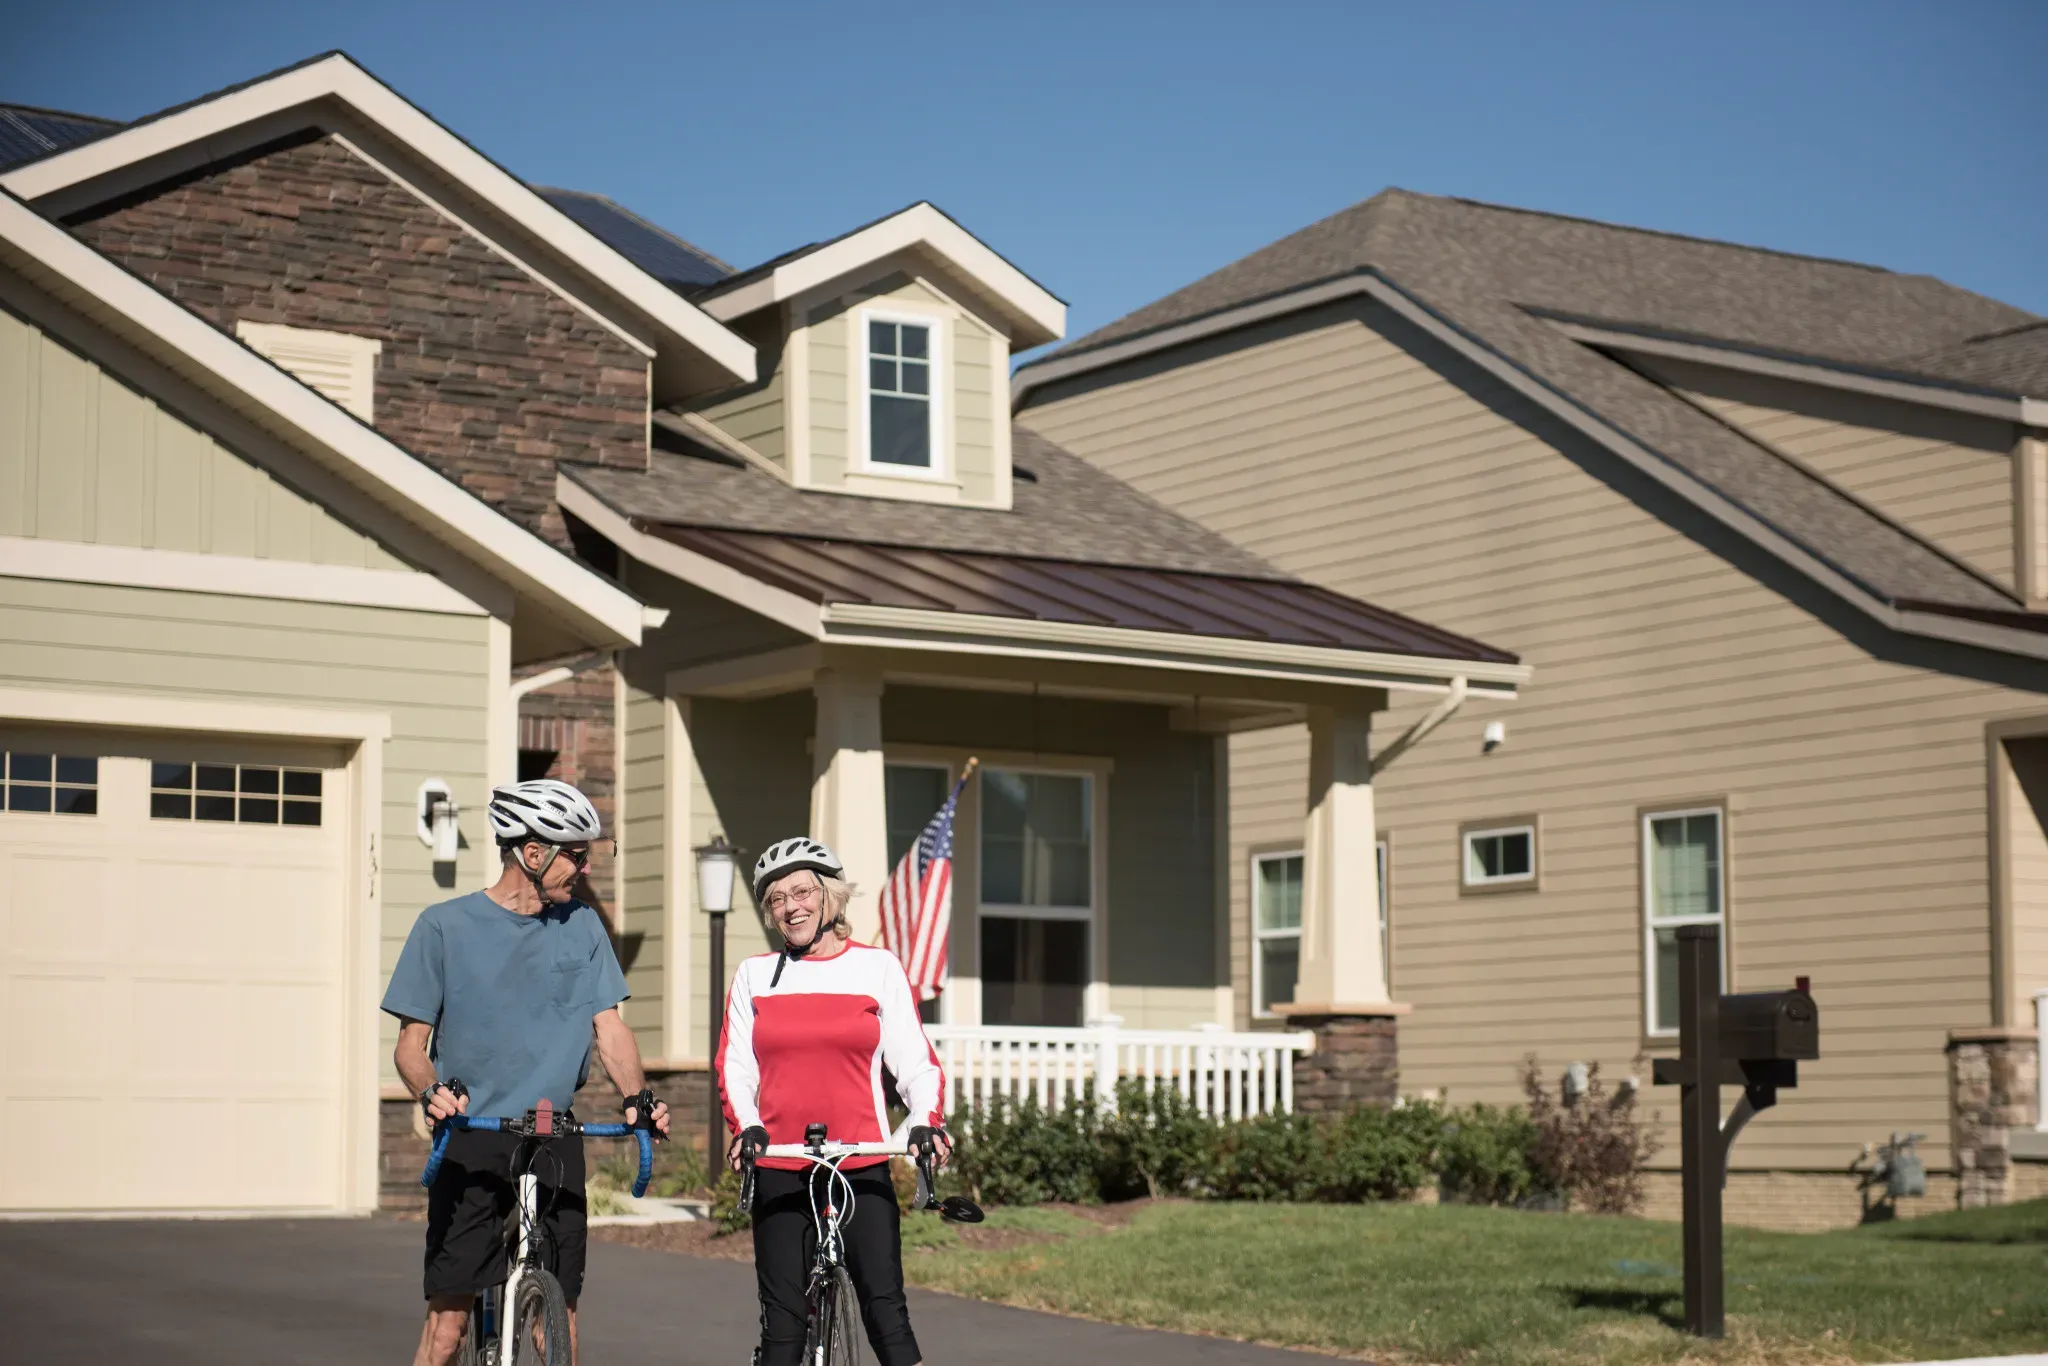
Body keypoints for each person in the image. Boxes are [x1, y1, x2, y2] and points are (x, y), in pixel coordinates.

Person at [382, 778, 671, 1366]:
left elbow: (610, 1030)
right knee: (448, 1328)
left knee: (557, 1320)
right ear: (532, 853)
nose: (586, 866)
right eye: (575, 853)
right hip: (472, 1138)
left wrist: (638, 1098)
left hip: (553, 1136)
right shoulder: (443, 927)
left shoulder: (584, 926)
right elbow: (410, 1048)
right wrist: (430, 1092)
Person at [719, 837, 950, 1366]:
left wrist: (922, 1122)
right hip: (781, 1160)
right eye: (776, 898)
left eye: (801, 891)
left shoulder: (878, 968)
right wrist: (747, 1123)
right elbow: (735, 1065)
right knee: (782, 1330)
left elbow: (915, 1061)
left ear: (829, 898)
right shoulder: (755, 975)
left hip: (860, 1159)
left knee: (887, 1315)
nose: (790, 907)